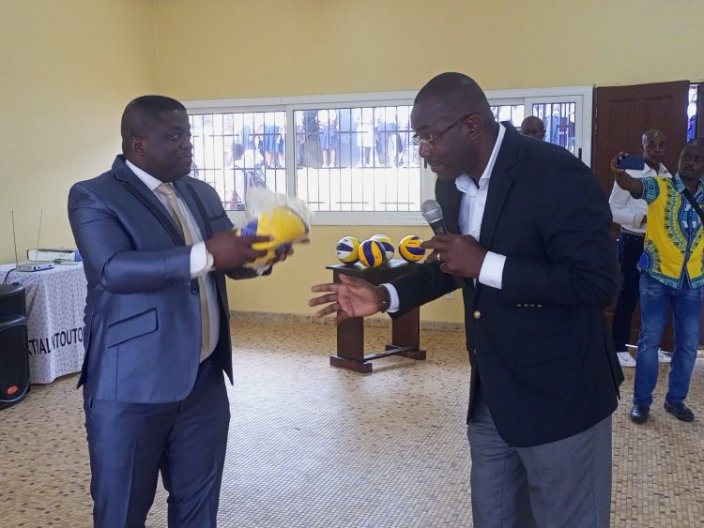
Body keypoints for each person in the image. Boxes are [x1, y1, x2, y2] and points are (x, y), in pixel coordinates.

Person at [309, 72, 623, 528]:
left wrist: (485, 264)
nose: (422, 150)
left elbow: (596, 283)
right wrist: (385, 294)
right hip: (493, 396)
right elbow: (450, 263)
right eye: (417, 137)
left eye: (430, 136)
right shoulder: (450, 185)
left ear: (472, 126)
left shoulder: (554, 174)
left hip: (563, 398)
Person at [68, 95, 276, 527]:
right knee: (122, 510)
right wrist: (205, 254)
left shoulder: (200, 192)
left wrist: (261, 255)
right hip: (132, 385)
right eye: (175, 136)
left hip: (203, 381)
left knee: (199, 508)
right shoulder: (94, 195)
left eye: (189, 135)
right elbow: (112, 270)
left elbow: (227, 259)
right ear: (138, 144)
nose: (188, 145)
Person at [612, 139, 704, 425]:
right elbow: (632, 185)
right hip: (656, 277)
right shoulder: (659, 186)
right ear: (680, 158)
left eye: (697, 159)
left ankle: (675, 400)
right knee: (649, 341)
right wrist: (619, 172)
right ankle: (641, 402)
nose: (691, 163)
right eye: (687, 156)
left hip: (692, 281)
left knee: (688, 346)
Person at [608, 129, 671, 368]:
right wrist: (641, 220)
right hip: (633, 240)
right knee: (629, 294)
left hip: (658, 243)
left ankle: (651, 347)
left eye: (661, 145)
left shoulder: (666, 175)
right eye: (651, 145)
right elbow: (611, 211)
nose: (657, 149)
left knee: (655, 296)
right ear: (642, 146)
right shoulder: (629, 173)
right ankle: (619, 347)